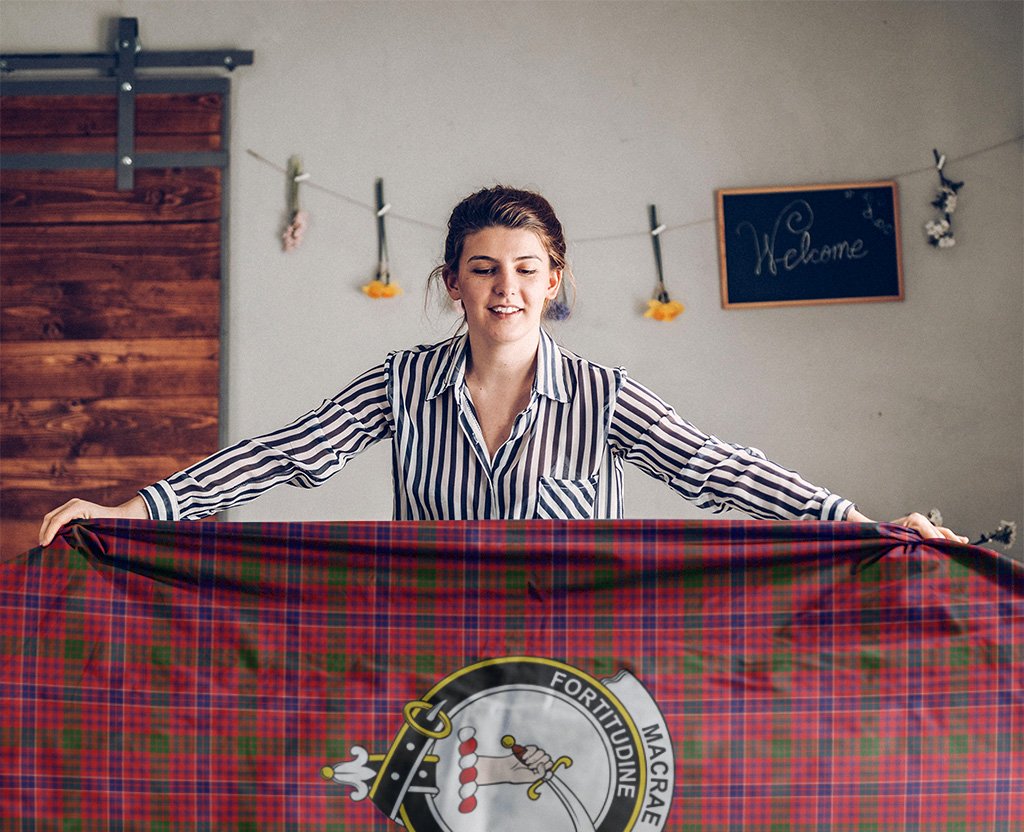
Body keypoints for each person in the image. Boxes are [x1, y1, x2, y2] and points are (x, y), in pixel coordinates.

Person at [39, 186, 968, 547]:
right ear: (453, 283)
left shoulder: (605, 398)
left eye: (527, 271)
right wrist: (137, 512)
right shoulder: (400, 382)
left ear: (554, 281)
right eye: (484, 269)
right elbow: (284, 456)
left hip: (579, 667)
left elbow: (719, 468)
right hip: (427, 659)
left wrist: (860, 523)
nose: (506, 289)